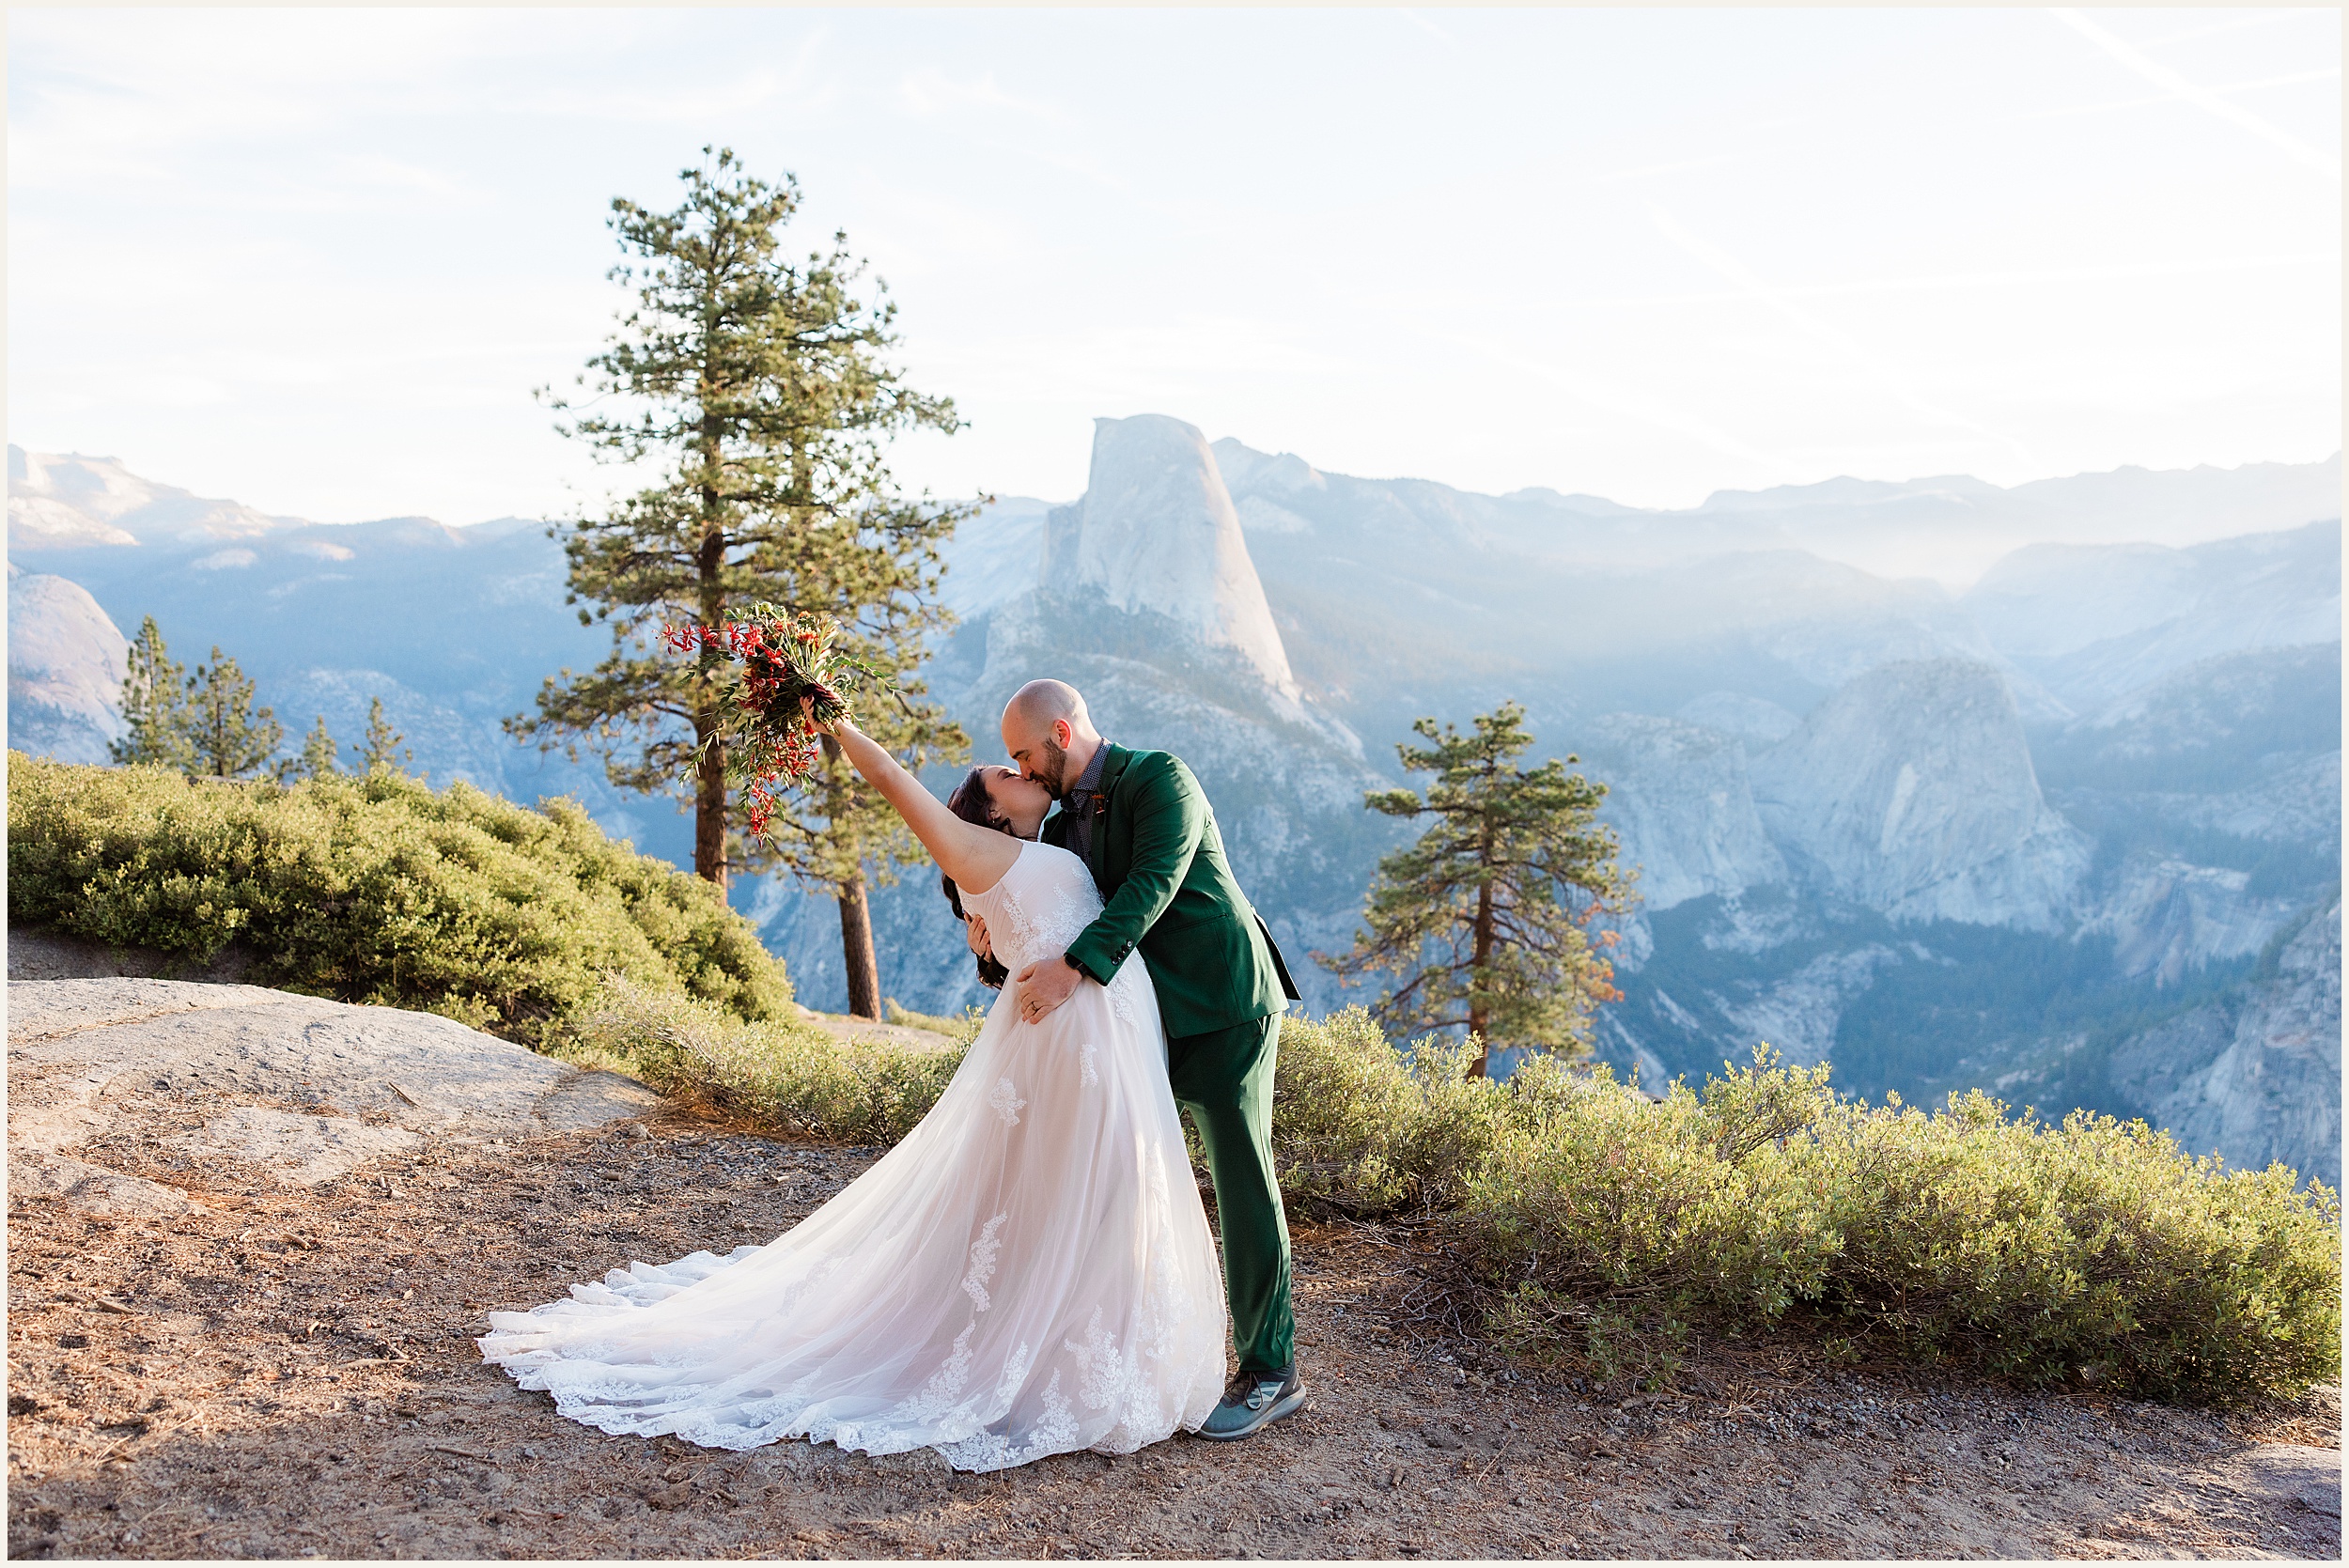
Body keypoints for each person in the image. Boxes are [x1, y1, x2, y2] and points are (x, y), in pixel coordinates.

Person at [475, 709, 1227, 1471]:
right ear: (989, 809)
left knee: (1103, 1191)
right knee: (1077, 1190)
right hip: (1072, 1034)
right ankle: (1045, 1356)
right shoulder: (975, 848)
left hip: (1109, 1026)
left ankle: (1092, 1335)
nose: (1021, 772)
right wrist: (833, 717)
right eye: (1005, 772)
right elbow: (893, 780)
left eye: (1019, 760)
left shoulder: (1046, 842)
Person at [989, 677, 1309, 1441]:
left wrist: (1075, 969)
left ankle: (1273, 1370)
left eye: (1024, 753)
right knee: (1122, 1171)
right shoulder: (1066, 819)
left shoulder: (1162, 777)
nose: (1024, 770)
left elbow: (1151, 884)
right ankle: (1119, 1351)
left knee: (1241, 1176)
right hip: (1149, 1018)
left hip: (1226, 1001)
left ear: (1061, 734)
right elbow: (1057, 901)